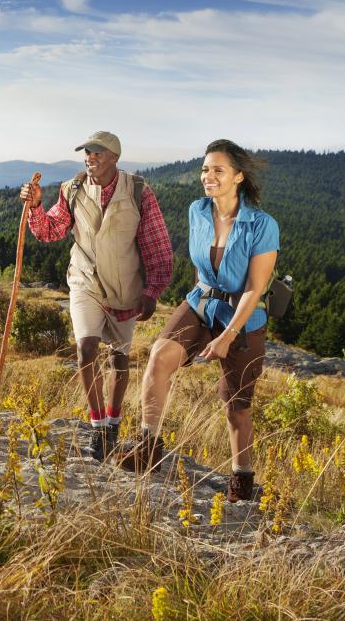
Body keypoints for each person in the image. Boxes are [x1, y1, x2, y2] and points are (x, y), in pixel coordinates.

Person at [129, 139, 278, 502]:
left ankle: (242, 481)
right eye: (204, 169)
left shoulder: (262, 225)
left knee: (236, 407)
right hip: (201, 301)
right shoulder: (197, 210)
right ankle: (148, 446)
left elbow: (254, 289)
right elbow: (202, 267)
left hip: (242, 316)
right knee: (159, 357)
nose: (207, 177)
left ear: (238, 177)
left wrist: (228, 335)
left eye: (218, 170)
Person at [19, 131, 173, 462]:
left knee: (119, 359)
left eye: (97, 152)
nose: (89, 157)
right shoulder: (71, 189)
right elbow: (51, 230)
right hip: (84, 280)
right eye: (87, 152)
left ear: (114, 157)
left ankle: (113, 425)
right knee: (85, 349)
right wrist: (35, 207)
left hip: (125, 287)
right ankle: (98, 427)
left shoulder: (139, 192)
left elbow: (156, 244)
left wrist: (152, 291)